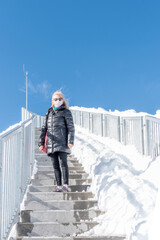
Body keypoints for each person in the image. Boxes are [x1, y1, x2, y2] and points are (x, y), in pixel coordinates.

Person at [38, 91, 75, 192]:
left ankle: (65, 185)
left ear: (62, 100)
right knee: (55, 166)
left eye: (59, 99)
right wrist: (41, 143)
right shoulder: (49, 113)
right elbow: (44, 129)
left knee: (63, 163)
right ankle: (59, 186)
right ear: (52, 101)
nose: (58, 101)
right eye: (55, 99)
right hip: (51, 143)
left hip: (62, 141)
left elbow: (70, 128)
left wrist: (70, 140)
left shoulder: (66, 112)